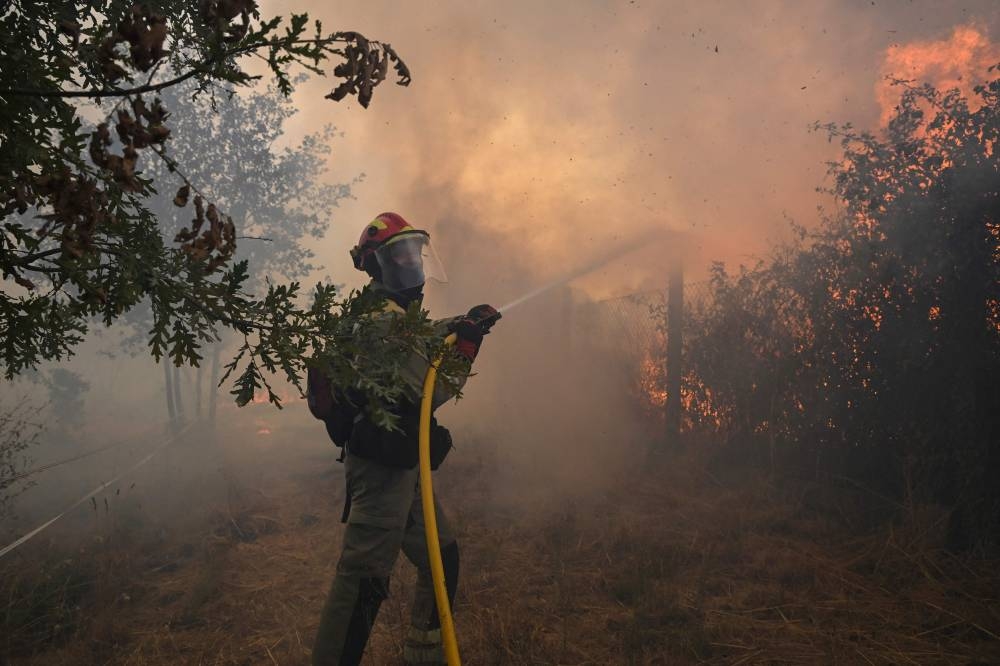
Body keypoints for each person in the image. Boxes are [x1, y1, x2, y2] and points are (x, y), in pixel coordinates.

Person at [312, 212, 500, 665]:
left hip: (402, 468)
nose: (412, 265)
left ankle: (424, 656)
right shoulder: (379, 322)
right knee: (363, 585)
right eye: (401, 256)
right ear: (377, 266)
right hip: (380, 475)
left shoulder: (391, 315)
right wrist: (465, 350)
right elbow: (427, 388)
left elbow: (421, 341)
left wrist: (463, 322)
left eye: (416, 254)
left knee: (443, 558)